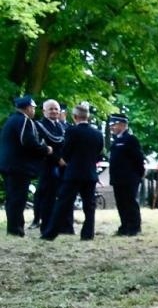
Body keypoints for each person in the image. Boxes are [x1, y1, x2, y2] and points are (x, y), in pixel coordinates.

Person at [43, 103, 102, 241]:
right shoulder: (97, 134)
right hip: (90, 174)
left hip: (74, 173)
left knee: (63, 203)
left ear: (75, 117)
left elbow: (66, 151)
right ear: (88, 116)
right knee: (89, 206)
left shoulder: (71, 131)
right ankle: (88, 234)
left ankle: (50, 233)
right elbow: (99, 154)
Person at [1, 96, 52, 237]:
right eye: (33, 108)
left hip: (8, 165)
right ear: (28, 108)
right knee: (18, 198)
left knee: (12, 198)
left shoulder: (11, 120)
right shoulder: (24, 121)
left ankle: (13, 228)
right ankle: (16, 229)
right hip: (19, 166)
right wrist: (45, 149)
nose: (34, 110)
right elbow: (28, 141)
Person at [106, 112, 146, 236]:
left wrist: (139, 175)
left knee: (130, 202)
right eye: (111, 125)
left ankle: (134, 227)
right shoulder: (116, 141)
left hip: (129, 178)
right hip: (118, 179)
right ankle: (124, 226)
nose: (111, 127)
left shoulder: (130, 139)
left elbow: (138, 158)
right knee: (121, 203)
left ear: (123, 125)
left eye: (114, 124)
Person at [32, 100, 68, 229]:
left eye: (56, 109)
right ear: (44, 111)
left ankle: (60, 222)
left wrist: (65, 159)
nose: (54, 111)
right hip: (47, 165)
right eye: (51, 109)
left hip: (63, 166)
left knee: (62, 194)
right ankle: (43, 223)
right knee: (47, 195)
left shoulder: (63, 126)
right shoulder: (38, 126)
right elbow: (41, 146)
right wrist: (57, 159)